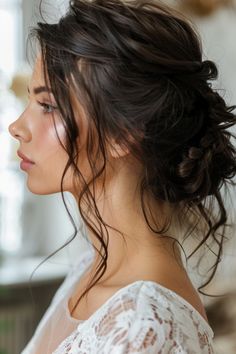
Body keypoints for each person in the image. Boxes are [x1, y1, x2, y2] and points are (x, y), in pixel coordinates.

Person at [8, 0, 236, 353]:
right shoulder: (91, 269)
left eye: (48, 106)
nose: (17, 127)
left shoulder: (148, 327)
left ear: (123, 133)